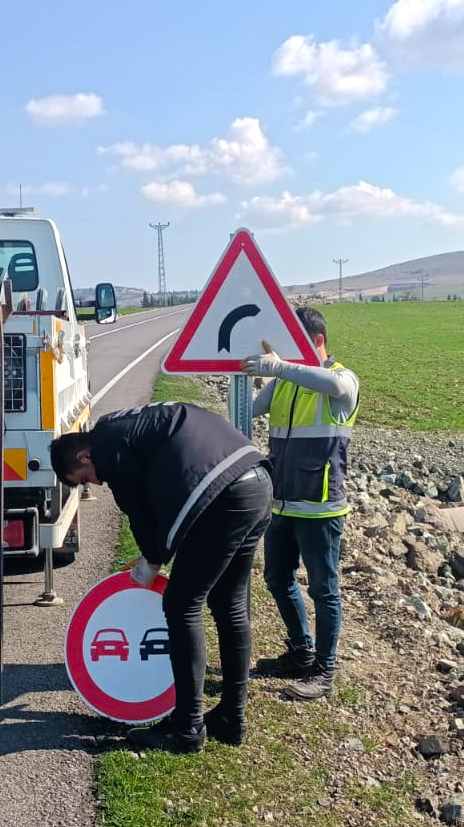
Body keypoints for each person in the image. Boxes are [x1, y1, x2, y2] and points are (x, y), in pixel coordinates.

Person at [50, 402, 271, 752]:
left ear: (82, 457)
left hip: (222, 494)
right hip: (256, 479)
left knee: (182, 604)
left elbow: (137, 509)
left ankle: (186, 728)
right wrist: (158, 550)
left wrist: (150, 562)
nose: (99, 482)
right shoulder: (125, 423)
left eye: (86, 479)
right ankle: (231, 716)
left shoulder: (106, 446)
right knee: (229, 604)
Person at [241, 306, 360, 700]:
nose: (286, 354)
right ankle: (301, 652)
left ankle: (324, 672)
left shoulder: (342, 378)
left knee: (324, 590)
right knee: (276, 578)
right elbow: (249, 411)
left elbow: (337, 387)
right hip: (283, 502)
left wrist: (279, 368)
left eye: (294, 344)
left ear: (318, 341)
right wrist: (239, 375)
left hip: (321, 507)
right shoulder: (285, 382)